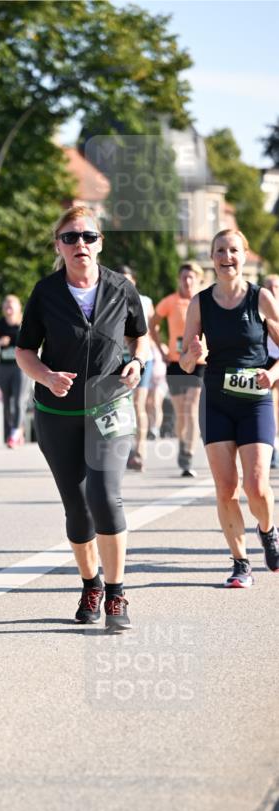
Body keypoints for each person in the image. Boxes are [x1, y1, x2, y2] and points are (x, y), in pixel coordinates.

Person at [16, 206, 150, 629]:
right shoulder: (45, 292)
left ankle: (116, 593)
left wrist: (137, 363)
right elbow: (24, 351)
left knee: (105, 497)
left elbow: (139, 337)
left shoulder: (120, 288)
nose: (81, 245)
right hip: (58, 413)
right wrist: (46, 376)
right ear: (58, 245)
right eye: (71, 238)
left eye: (88, 237)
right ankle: (90, 583)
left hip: (109, 407)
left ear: (100, 243)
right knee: (77, 506)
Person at [180, 229, 279, 587]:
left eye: (233, 250)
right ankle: (240, 563)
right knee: (226, 487)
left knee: (256, 486)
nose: (227, 257)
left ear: (244, 254)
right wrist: (191, 355)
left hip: (255, 402)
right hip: (217, 402)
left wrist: (272, 373)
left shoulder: (261, 298)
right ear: (212, 256)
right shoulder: (200, 303)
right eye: (220, 250)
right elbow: (186, 362)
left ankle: (268, 530)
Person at [153, 262, 205, 476]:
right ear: (179, 279)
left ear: (199, 279)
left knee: (191, 407)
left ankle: (188, 456)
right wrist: (161, 347)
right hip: (175, 362)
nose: (187, 281)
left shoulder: (204, 301)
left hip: (199, 362)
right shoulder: (170, 301)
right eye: (184, 277)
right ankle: (183, 446)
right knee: (180, 411)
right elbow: (151, 324)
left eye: (191, 277)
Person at [120, 267, 155, 471]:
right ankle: (124, 451)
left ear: (134, 281)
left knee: (137, 403)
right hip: (119, 358)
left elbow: (152, 329)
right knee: (120, 406)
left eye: (128, 280)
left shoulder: (146, 301)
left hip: (142, 358)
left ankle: (140, 450)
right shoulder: (108, 298)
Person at [0, 295, 27, 446]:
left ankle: (15, 433)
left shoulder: (26, 321)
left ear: (19, 307)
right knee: (6, 402)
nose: (8, 306)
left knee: (18, 400)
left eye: (12, 303)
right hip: (4, 367)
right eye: (6, 304)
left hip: (22, 366)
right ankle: (14, 430)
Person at [263, 275, 279, 468]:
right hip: (266, 360)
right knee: (271, 403)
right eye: (268, 286)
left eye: (276, 286)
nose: (273, 290)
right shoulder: (260, 308)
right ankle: (273, 449)